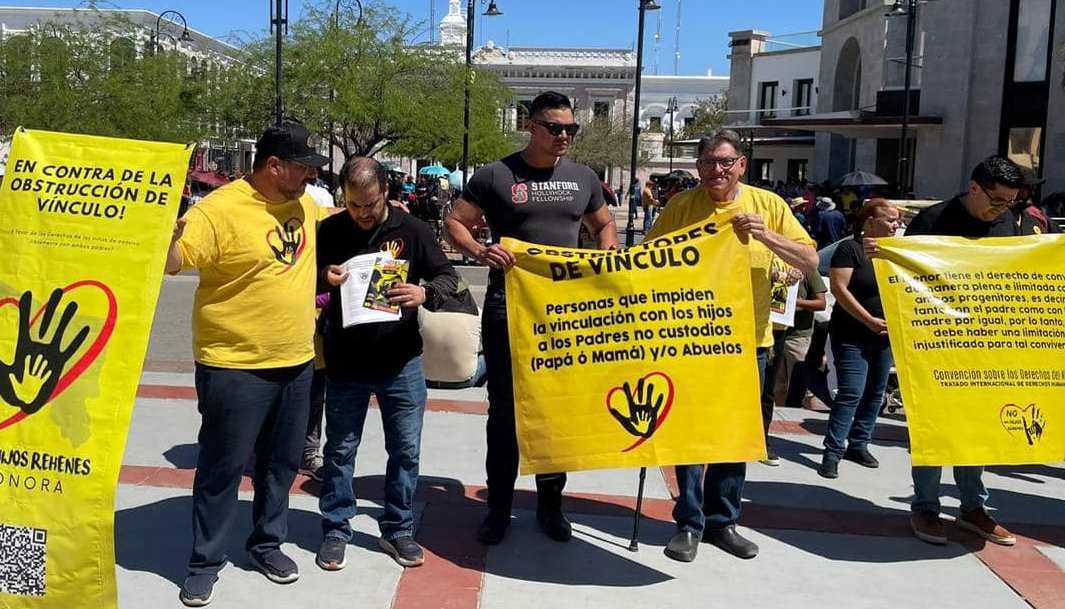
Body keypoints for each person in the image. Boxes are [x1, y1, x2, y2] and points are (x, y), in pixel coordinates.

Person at [444, 91, 619, 545]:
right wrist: (480, 250)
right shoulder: (496, 174)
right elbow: (455, 223)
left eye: (571, 129)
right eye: (555, 128)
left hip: (566, 311)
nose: (564, 136)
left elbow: (604, 224)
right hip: (509, 309)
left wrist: (606, 255)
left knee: (557, 409)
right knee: (504, 413)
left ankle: (551, 505)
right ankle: (498, 509)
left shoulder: (584, 177)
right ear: (531, 125)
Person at [167, 123, 330, 607]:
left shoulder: (306, 203)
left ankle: (267, 544)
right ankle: (204, 562)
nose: (309, 176)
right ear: (273, 166)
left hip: (297, 360)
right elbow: (176, 260)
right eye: (301, 167)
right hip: (233, 365)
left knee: (280, 465)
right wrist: (163, 235)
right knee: (222, 467)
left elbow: (337, 227)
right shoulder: (218, 210)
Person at [646, 130, 817, 563]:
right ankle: (689, 522)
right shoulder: (681, 206)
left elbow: (809, 260)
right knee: (691, 435)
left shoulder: (769, 206)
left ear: (741, 164)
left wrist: (767, 238)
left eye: (724, 162)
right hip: (690, 341)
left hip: (749, 340)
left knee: (733, 437)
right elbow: (647, 261)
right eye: (707, 162)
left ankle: (724, 523)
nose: (715, 170)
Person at [867, 156, 1036, 547]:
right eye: (997, 200)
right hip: (937, 346)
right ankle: (925, 505)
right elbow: (904, 278)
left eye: (1010, 202)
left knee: (976, 427)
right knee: (932, 428)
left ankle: (973, 507)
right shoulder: (933, 222)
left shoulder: (1007, 222)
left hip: (987, 346)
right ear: (974, 188)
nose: (1002, 209)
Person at [314, 157, 459, 570]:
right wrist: (325, 277)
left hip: (401, 363)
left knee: (405, 451)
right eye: (354, 204)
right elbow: (303, 282)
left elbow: (452, 280)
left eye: (370, 204)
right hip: (345, 361)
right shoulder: (331, 230)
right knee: (340, 451)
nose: (361, 213)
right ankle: (336, 528)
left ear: (386, 194)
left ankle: (397, 528)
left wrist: (424, 292)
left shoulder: (412, 230)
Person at [818, 199, 900, 479]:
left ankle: (859, 443)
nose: (896, 224)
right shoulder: (849, 249)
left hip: (884, 337)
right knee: (851, 391)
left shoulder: (896, 253)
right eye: (890, 219)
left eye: (897, 220)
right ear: (869, 222)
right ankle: (832, 451)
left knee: (875, 393)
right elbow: (840, 289)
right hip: (852, 334)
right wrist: (869, 320)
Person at [760, 264, 826, 465]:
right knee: (774, 389)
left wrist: (793, 302)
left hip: (798, 336)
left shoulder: (805, 267)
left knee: (804, 390)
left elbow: (821, 303)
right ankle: (764, 435)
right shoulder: (768, 263)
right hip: (771, 332)